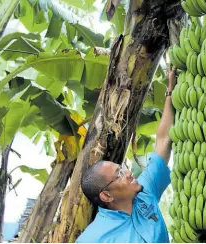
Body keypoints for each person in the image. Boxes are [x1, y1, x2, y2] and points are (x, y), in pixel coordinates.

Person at [76, 65, 177, 243]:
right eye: (120, 174)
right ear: (106, 195)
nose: (129, 173)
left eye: (122, 169)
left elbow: (162, 141)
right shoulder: (94, 239)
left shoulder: (145, 192)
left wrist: (170, 92)